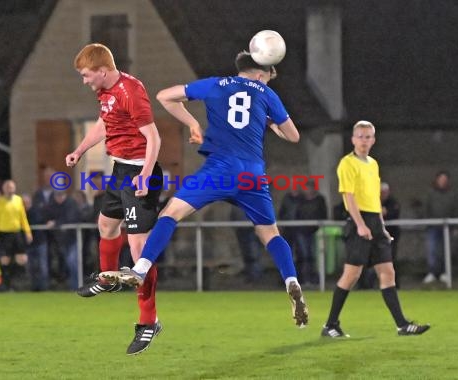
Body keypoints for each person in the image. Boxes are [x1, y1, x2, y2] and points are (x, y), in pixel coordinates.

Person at [100, 51, 309, 330]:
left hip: (219, 170)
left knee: (170, 213)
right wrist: (267, 120)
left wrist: (193, 123)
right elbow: (293, 136)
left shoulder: (215, 84)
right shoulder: (265, 93)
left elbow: (164, 96)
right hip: (252, 175)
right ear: (261, 74)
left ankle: (140, 269)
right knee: (269, 232)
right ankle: (291, 280)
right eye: (270, 77)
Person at [65, 43, 163, 355]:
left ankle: (149, 322)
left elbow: (154, 138)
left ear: (103, 71)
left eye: (86, 75)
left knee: (138, 252)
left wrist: (145, 175)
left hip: (139, 175)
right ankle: (108, 279)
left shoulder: (130, 91)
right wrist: (80, 150)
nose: (84, 81)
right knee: (106, 226)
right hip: (121, 170)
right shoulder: (106, 92)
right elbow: (105, 124)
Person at [321, 121, 430, 338]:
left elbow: (374, 199)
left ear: (373, 140)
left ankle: (402, 325)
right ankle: (330, 325)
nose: (364, 140)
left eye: (368, 136)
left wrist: (381, 226)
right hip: (357, 221)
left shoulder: (373, 164)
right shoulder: (347, 163)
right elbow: (348, 197)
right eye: (360, 136)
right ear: (353, 139)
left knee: (388, 272)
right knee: (352, 275)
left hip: (374, 223)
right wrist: (360, 225)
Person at [0, 180, 32, 290]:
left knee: (21, 258)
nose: (10, 189)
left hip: (16, 233)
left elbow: (23, 218)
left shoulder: (18, 200)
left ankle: (19, 283)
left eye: (11, 187)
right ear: (3, 189)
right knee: (5, 259)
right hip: (4, 234)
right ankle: (6, 284)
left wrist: (27, 232)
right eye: (7, 187)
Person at [422, 170, 458, 284]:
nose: (443, 182)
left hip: (447, 228)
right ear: (437, 180)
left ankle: (444, 273)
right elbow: (426, 209)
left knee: (445, 251)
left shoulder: (452, 195)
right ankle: (433, 273)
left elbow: (456, 211)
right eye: (441, 179)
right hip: (433, 227)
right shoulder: (430, 194)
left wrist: (455, 226)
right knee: (432, 250)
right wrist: (427, 224)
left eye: (445, 180)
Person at [295, 180, 327, 286]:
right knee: (304, 255)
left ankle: (315, 279)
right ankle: (305, 279)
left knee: (314, 256)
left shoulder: (320, 200)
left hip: (315, 232)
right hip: (301, 231)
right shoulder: (300, 200)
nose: (307, 190)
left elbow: (323, 214)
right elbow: (297, 214)